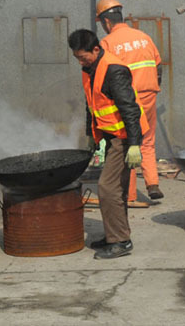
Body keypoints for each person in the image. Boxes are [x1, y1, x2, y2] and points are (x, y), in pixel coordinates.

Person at [68, 29, 147, 259]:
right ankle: (116, 235)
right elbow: (90, 105)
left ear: (96, 49)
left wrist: (134, 144)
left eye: (83, 57)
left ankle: (120, 241)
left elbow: (129, 108)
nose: (80, 62)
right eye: (77, 58)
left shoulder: (114, 70)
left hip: (124, 136)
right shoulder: (90, 69)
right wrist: (91, 135)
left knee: (107, 187)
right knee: (116, 188)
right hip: (112, 136)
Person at [96, 0, 164, 204]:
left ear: (106, 22)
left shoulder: (107, 43)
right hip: (150, 93)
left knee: (129, 141)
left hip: (128, 98)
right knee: (148, 141)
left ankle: (129, 194)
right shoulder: (143, 37)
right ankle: (153, 184)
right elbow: (158, 66)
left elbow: (105, 75)